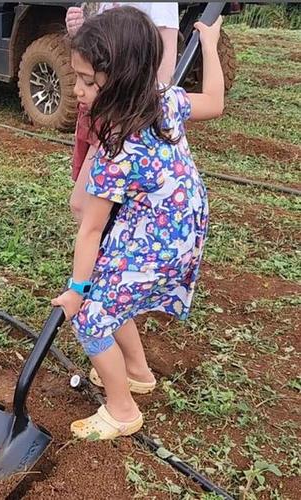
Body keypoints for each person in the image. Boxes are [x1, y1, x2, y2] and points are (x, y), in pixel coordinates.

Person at [52, 6, 224, 440]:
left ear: (124, 77)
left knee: (91, 317)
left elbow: (90, 228)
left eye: (89, 81)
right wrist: (209, 44)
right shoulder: (163, 100)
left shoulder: (116, 149)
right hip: (179, 227)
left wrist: (76, 291)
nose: (79, 89)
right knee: (107, 286)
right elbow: (216, 103)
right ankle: (137, 373)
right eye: (77, 76)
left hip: (157, 239)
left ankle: (122, 409)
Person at [66, 3, 180, 223]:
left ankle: (101, 249)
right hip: (104, 108)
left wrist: (137, 116)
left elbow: (163, 69)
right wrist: (81, 32)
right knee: (86, 203)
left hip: (124, 115)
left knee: (86, 206)